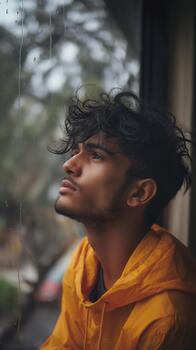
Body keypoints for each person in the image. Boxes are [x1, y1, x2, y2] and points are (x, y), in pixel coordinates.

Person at [40, 91, 196, 350]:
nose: (69, 164)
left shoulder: (168, 319)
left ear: (139, 193)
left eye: (96, 155)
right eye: (76, 152)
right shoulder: (83, 264)